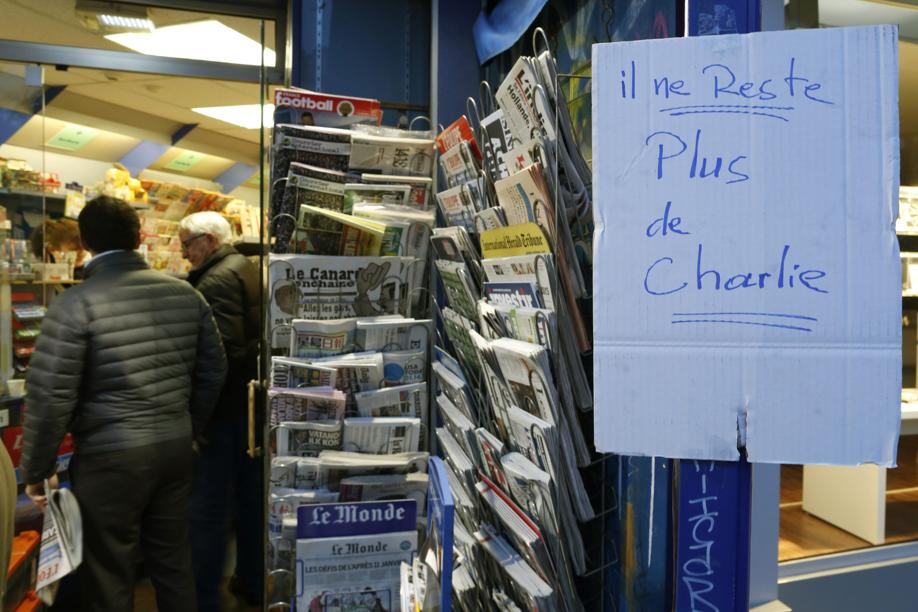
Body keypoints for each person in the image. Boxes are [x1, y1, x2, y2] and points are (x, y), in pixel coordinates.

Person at [20, 196, 227, 612]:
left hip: (108, 458)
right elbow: (213, 370)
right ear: (138, 238)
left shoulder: (73, 305)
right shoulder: (186, 295)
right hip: (173, 448)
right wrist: (186, 425)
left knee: (109, 570)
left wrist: (37, 469)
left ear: (84, 242)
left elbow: (49, 395)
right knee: (172, 562)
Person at [178, 211, 262, 610]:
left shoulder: (214, 281)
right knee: (248, 500)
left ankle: (203, 596)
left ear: (208, 240)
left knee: (209, 507)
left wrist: (199, 418)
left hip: (224, 411)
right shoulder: (243, 267)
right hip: (246, 406)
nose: (183, 254)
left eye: (187, 245)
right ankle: (251, 581)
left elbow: (220, 356)